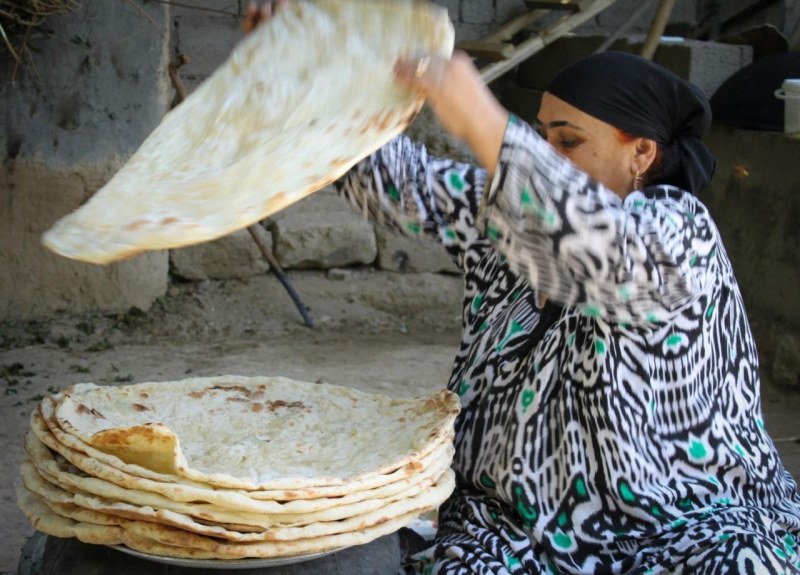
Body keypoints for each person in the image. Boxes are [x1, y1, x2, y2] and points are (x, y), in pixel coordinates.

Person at [21, 3, 800, 575]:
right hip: (508, 525)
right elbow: (396, 181)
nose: (546, 153)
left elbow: (599, 247)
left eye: (570, 141)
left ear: (642, 154)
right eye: (542, 135)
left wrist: (484, 120)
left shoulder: (677, 236)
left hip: (666, 531)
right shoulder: (511, 215)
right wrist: (302, 75)